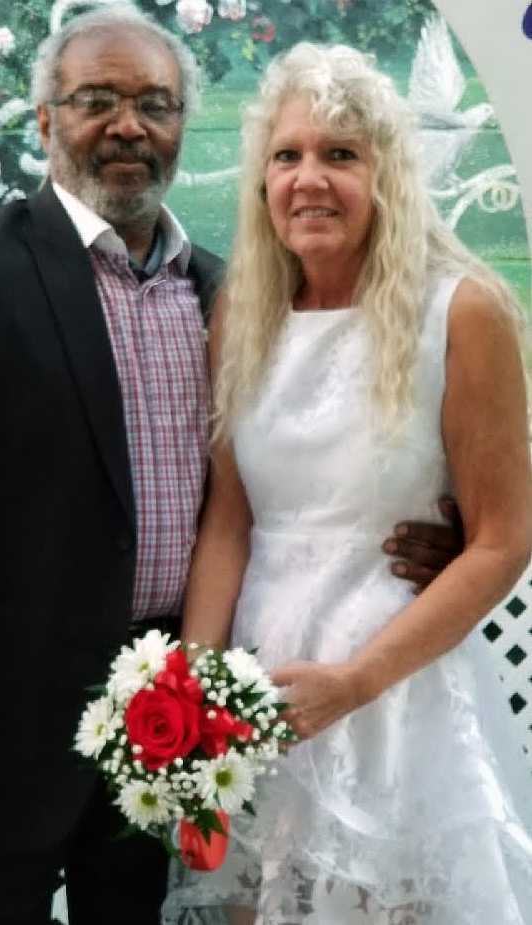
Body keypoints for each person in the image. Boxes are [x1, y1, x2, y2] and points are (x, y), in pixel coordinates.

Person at [0, 9, 461, 925]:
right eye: (96, 100)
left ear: (182, 128)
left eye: (155, 104)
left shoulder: (229, 295)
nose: (128, 124)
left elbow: (280, 484)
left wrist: (426, 528)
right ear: (46, 121)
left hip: (172, 758)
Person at [163, 42, 532, 925]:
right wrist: (196, 688)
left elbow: (502, 538)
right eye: (286, 156)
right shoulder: (239, 318)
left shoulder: (462, 311)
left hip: (394, 696)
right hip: (262, 695)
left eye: (340, 154)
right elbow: (230, 522)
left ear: (388, 174)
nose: (309, 179)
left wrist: (358, 682)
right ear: (261, 183)